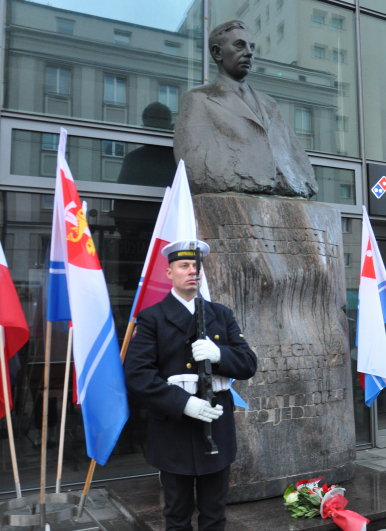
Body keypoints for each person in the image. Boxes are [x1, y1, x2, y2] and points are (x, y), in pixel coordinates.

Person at [124, 240, 257, 530]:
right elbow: (137, 374)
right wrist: (183, 403)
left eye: (196, 266)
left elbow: (249, 363)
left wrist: (220, 355)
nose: (191, 271)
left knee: (214, 514)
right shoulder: (151, 318)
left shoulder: (221, 315)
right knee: (177, 514)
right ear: (169, 272)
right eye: (183, 265)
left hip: (216, 426)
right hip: (174, 430)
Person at [173, 20, 317, 198]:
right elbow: (195, 169)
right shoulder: (198, 99)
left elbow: (300, 167)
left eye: (252, 47)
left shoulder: (270, 104)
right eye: (239, 46)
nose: (249, 53)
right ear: (217, 52)